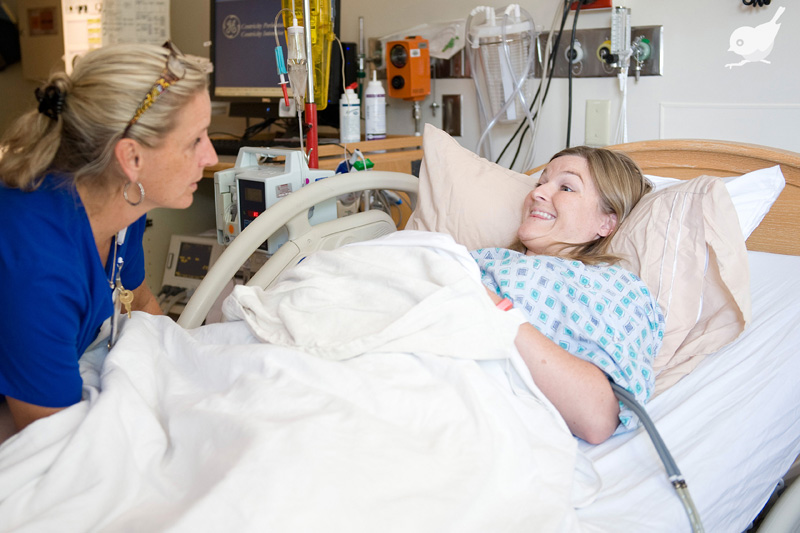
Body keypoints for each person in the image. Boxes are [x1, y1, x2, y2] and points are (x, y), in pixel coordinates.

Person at [0, 42, 218, 432]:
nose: (212, 157)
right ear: (131, 158)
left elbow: (141, 303)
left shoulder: (121, 207)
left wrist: (198, 381)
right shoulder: (40, 266)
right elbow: (51, 440)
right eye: (195, 141)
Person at [472, 146, 663, 444]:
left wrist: (485, 302)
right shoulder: (484, 258)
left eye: (566, 188)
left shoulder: (616, 288)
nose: (537, 193)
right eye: (540, 183)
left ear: (606, 222)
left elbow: (596, 417)